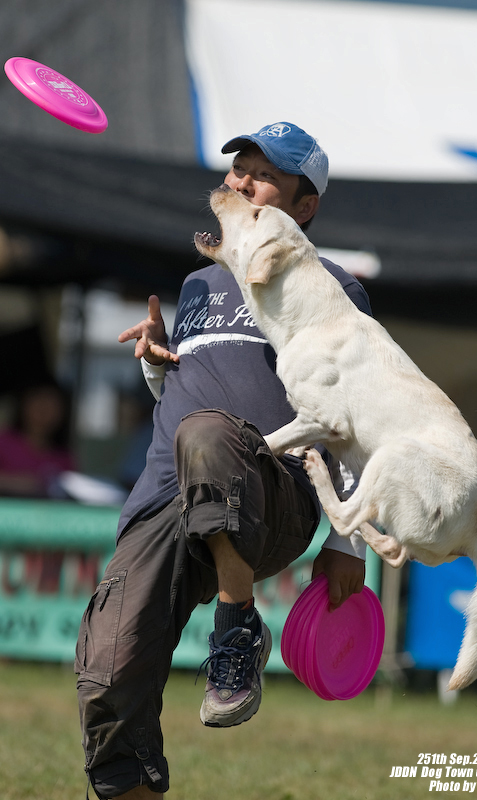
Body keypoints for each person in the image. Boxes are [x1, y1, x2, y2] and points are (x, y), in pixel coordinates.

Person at [76, 122, 372, 799]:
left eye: (260, 174)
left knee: (208, 436)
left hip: (273, 495)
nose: (238, 181)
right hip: (166, 498)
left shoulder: (333, 288)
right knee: (107, 671)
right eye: (237, 167)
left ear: (304, 207)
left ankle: (237, 625)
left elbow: (355, 417)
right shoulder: (198, 285)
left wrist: (348, 541)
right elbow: (194, 393)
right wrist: (158, 369)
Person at [0, 379, 76, 498]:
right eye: (38, 400)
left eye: (52, 403)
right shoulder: (3, 442)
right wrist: (26, 484)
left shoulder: (65, 457)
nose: (44, 409)